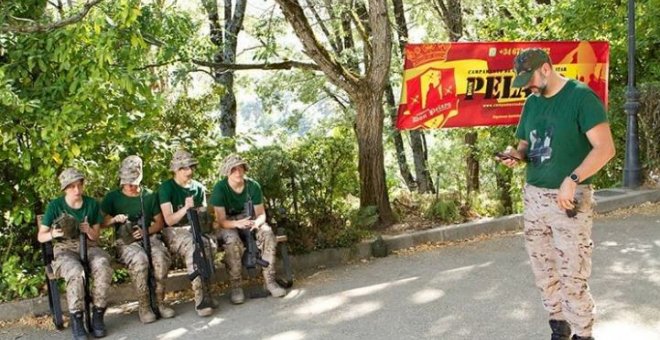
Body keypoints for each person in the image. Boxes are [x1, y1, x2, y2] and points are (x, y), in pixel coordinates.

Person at [497, 48, 615, 340]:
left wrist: (573, 179)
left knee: (572, 274)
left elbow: (605, 149)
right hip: (535, 198)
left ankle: (583, 333)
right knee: (544, 272)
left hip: (569, 200)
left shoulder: (581, 98)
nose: (527, 86)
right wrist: (516, 155)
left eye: (530, 78)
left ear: (546, 69)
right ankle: (559, 329)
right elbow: (526, 146)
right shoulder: (532, 104)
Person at [37, 168, 113, 340]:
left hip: (89, 245)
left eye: (79, 185)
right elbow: (41, 236)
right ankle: (77, 319)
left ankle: (98, 315)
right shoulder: (55, 206)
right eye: (72, 187)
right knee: (75, 272)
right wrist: (53, 235)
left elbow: (96, 236)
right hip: (65, 248)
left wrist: (88, 230)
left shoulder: (92, 204)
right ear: (65, 188)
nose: (77, 190)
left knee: (102, 265)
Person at [101, 155, 175, 323]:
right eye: (128, 183)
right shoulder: (113, 197)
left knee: (160, 258)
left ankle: (160, 302)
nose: (131, 187)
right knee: (140, 260)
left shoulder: (148, 195)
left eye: (134, 183)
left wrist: (145, 231)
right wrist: (114, 219)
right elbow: (101, 222)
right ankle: (144, 305)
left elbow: (159, 222)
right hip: (126, 242)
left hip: (149, 237)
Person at [210, 154, 286, 304]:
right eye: (233, 170)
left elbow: (261, 214)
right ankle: (236, 286)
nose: (238, 173)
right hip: (229, 224)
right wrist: (237, 224)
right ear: (227, 172)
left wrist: (257, 224)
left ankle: (270, 281)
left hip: (250, 222)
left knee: (267, 233)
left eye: (241, 168)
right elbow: (220, 221)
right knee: (232, 241)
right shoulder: (220, 188)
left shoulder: (253, 186)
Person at [158, 149, 217, 317]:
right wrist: (185, 208)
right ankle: (200, 299)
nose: (189, 171)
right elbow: (169, 220)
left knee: (208, 245)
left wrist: (203, 214)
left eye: (191, 167)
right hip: (174, 230)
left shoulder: (198, 188)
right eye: (184, 168)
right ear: (176, 169)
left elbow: (203, 214)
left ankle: (207, 292)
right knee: (194, 246)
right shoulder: (166, 188)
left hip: (195, 227)